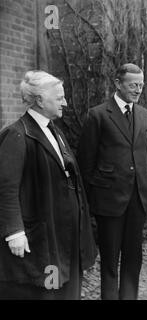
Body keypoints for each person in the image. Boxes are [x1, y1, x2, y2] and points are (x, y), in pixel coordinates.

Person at [0, 70, 97, 300]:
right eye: (59, 97)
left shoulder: (54, 130)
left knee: (68, 289)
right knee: (48, 290)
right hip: (44, 235)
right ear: (40, 100)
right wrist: (14, 231)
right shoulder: (17, 134)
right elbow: (6, 187)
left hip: (66, 233)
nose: (64, 102)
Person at [77, 63, 147, 300]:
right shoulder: (98, 114)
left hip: (137, 200)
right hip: (109, 201)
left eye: (141, 85)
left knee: (134, 258)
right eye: (133, 85)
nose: (138, 89)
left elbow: (144, 157)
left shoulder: (144, 114)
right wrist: (91, 202)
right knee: (110, 260)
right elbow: (85, 163)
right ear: (118, 84)